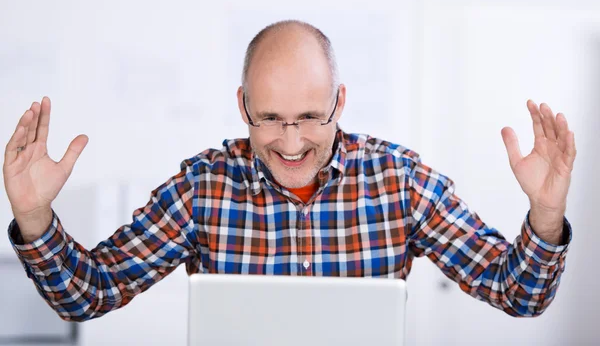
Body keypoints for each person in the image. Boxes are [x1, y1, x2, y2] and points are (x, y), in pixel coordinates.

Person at [3, 20, 576, 322]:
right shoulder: (202, 188)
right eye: (270, 119)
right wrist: (33, 217)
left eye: (310, 117)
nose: (292, 142)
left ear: (341, 103)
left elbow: (517, 294)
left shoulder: (400, 180)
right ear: (242, 106)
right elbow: (90, 295)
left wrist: (546, 216)